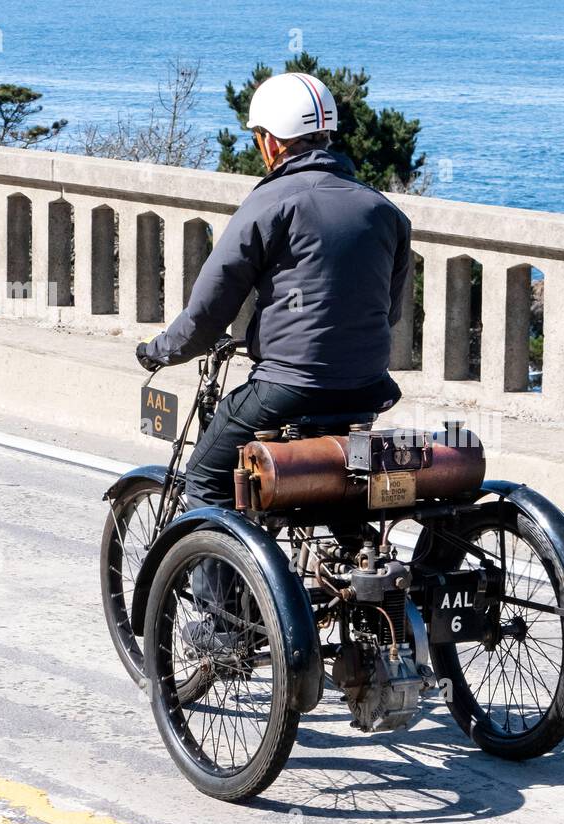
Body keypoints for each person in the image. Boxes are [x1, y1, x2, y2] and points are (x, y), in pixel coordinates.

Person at [135, 71, 413, 516]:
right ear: (326, 136)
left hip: (288, 386)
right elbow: (389, 311)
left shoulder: (270, 203)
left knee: (207, 479)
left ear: (271, 142)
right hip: (366, 386)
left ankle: (218, 588)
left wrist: (160, 351)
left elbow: (209, 309)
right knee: (339, 487)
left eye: (259, 137)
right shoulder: (384, 210)